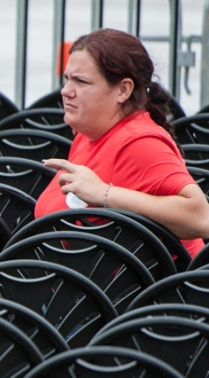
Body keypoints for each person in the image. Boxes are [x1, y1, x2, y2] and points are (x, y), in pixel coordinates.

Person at [36, 28, 209, 256]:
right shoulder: (88, 134)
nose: (66, 91)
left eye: (81, 81)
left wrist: (104, 195)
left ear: (123, 90)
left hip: (144, 289)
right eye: (67, 79)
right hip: (84, 283)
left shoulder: (139, 141)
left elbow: (201, 218)